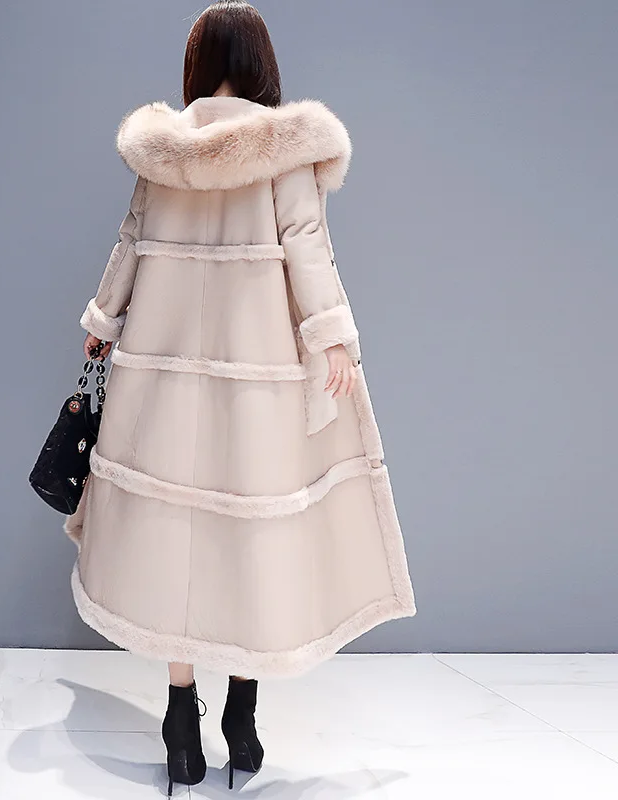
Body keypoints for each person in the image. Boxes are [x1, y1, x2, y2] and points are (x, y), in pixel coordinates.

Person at [65, 1, 416, 793]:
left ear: (198, 65)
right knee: (249, 532)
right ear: (261, 64)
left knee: (173, 539)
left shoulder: (162, 150)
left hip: (162, 380)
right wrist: (332, 338)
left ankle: (178, 720)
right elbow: (307, 246)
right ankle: (242, 715)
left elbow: (130, 241)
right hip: (253, 384)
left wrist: (103, 322)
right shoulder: (284, 148)